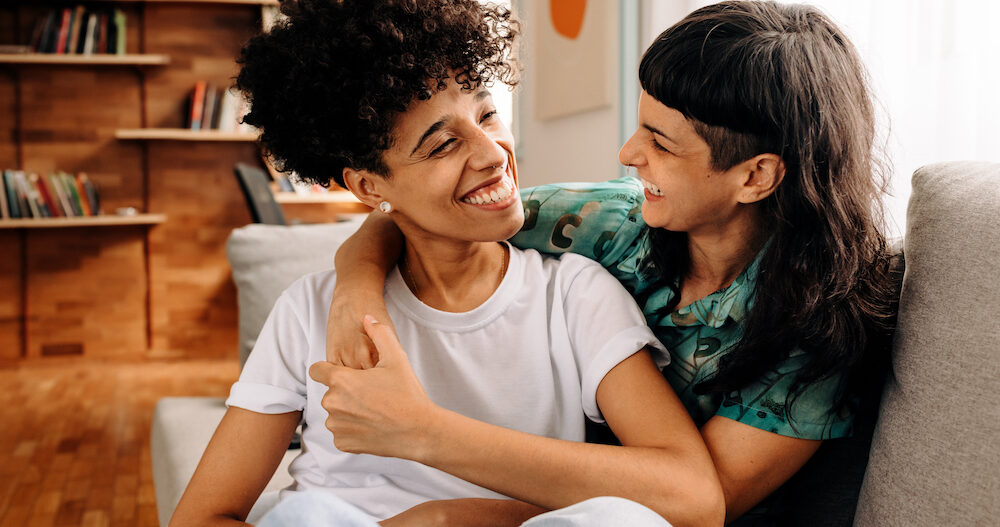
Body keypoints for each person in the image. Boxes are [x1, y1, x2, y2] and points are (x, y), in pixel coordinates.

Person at [325, 0, 898, 524]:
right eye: (640, 122)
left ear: (755, 176)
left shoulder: (820, 324)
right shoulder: (605, 222)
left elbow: (697, 504)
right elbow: (413, 215)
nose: (627, 153)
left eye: (660, 141)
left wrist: (452, 501)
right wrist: (355, 295)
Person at [169, 1, 722, 526]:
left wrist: (427, 445)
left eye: (486, 113)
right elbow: (201, 515)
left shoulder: (575, 295)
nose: (492, 153)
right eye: (441, 146)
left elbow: (692, 498)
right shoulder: (310, 312)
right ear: (369, 186)